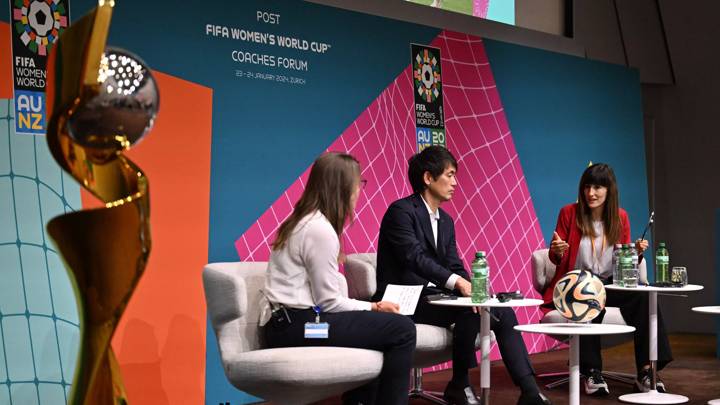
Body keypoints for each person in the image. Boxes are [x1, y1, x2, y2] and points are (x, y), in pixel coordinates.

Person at [375, 145, 551, 405]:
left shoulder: (445, 220)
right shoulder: (401, 212)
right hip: (403, 299)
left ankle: (528, 390)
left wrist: (472, 287)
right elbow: (414, 258)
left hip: (434, 298)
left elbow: (454, 264)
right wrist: (457, 283)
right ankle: (460, 384)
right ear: (428, 178)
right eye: (450, 174)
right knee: (468, 310)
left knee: (499, 311)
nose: (456, 182)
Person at [261, 152, 416, 405]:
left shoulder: (304, 221)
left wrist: (371, 313)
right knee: (402, 329)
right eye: (358, 183)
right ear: (342, 187)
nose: (359, 190)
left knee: (377, 328)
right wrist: (374, 307)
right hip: (300, 327)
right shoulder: (318, 229)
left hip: (291, 323)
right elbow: (330, 302)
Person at [545, 163, 672, 396]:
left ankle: (646, 371)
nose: (590, 193)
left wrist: (634, 251)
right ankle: (592, 371)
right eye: (587, 187)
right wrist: (558, 251)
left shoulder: (620, 217)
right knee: (589, 299)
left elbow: (622, 261)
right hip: (577, 284)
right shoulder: (568, 213)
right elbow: (555, 256)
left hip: (610, 282)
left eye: (597, 187)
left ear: (609, 190)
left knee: (644, 298)